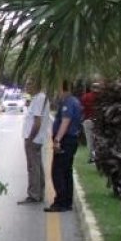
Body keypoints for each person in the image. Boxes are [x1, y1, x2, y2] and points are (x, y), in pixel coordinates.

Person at [45, 81, 83, 213]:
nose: (57, 92)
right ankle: (67, 201)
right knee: (66, 172)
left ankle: (61, 202)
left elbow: (65, 122)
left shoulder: (68, 102)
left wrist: (57, 139)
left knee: (58, 172)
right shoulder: (75, 101)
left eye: (58, 89)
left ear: (62, 88)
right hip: (71, 140)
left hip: (66, 140)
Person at [18, 78, 49, 205]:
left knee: (32, 167)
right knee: (37, 165)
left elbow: (37, 122)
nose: (26, 86)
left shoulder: (39, 98)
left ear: (37, 84)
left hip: (33, 138)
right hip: (36, 138)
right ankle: (39, 192)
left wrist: (30, 138)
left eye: (29, 84)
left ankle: (34, 194)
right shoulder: (38, 98)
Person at [81, 82, 99, 163]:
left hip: (88, 120)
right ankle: (97, 156)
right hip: (99, 121)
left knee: (90, 140)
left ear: (91, 88)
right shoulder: (102, 96)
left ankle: (92, 157)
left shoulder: (86, 96)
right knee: (98, 139)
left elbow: (82, 108)